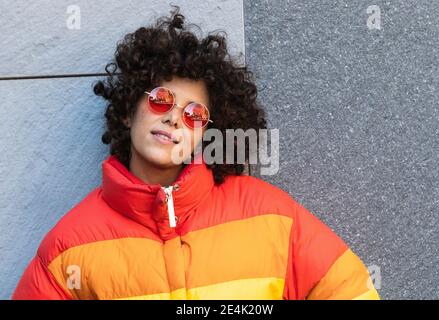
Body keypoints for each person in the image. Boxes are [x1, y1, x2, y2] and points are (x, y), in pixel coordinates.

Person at [12, 7, 380, 300]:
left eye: (193, 113)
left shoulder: (273, 217)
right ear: (127, 110)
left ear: (207, 131)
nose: (174, 118)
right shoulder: (69, 247)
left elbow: (351, 292)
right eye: (160, 100)